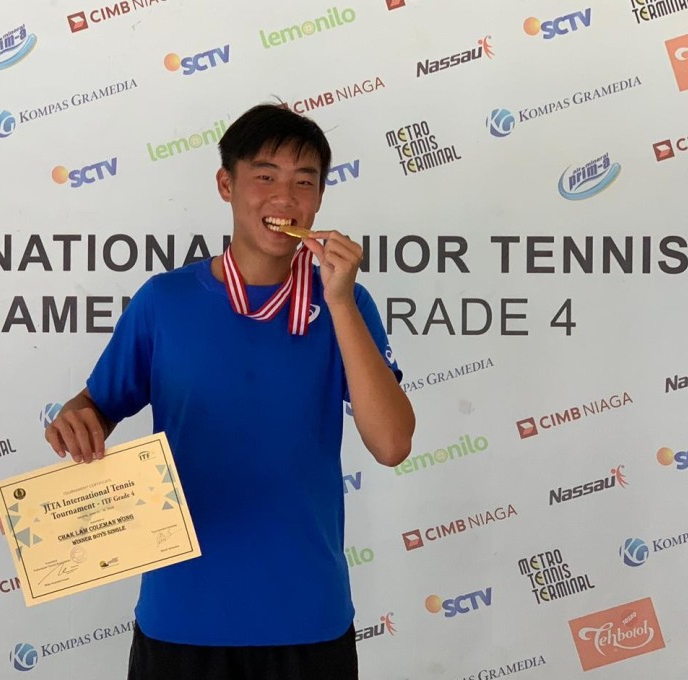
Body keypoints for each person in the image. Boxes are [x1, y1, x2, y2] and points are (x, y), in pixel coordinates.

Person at [44, 103, 415, 680]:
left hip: (307, 617)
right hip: (181, 616)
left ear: (319, 200)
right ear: (227, 184)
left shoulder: (346, 306)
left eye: (304, 182)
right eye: (265, 176)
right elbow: (95, 405)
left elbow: (391, 444)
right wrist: (75, 416)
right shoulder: (164, 302)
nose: (284, 199)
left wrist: (339, 300)